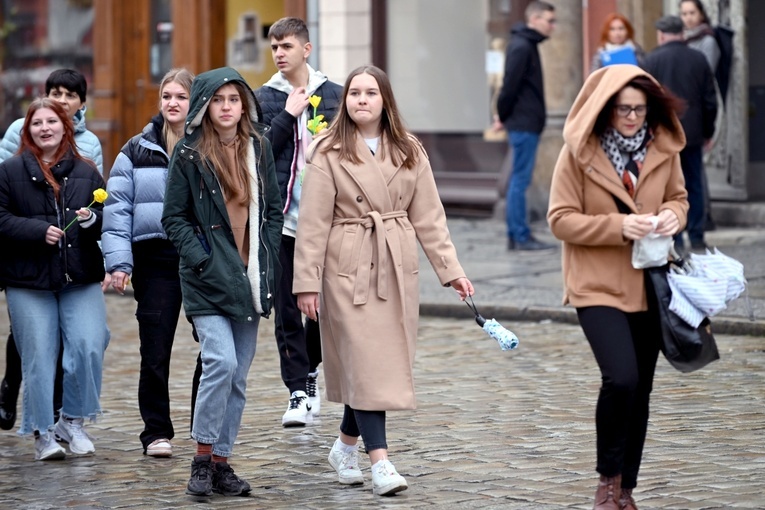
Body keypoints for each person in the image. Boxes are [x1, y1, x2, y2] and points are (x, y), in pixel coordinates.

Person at [293, 65, 475, 497]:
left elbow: (430, 218)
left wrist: (453, 272)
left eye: (370, 93)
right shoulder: (328, 151)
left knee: (376, 366)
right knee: (366, 362)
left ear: (384, 100)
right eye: (354, 92)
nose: (360, 99)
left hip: (394, 266)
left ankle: (344, 447)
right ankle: (382, 462)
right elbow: (313, 223)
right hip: (346, 267)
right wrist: (306, 282)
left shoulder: (410, 150)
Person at [547, 65, 689, 509]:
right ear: (606, 109)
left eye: (640, 110)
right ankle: (606, 483)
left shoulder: (663, 147)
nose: (632, 118)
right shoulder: (578, 153)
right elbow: (560, 219)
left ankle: (627, 489)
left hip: (650, 284)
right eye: (623, 109)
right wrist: (620, 225)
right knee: (621, 378)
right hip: (595, 284)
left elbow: (680, 198)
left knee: (641, 387)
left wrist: (673, 216)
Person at [161, 67, 283, 497]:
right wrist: (201, 259)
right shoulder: (190, 153)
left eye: (234, 99)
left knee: (238, 377)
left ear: (244, 104)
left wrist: (268, 259)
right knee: (221, 363)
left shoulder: (259, 146)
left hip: (249, 278)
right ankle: (200, 457)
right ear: (206, 105)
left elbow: (272, 212)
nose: (227, 107)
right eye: (218, 100)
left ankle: (221, 464)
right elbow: (172, 218)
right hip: (206, 279)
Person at [0, 98, 110, 460]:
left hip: (79, 277)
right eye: (36, 123)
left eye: (52, 121)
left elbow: (105, 220)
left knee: (89, 344)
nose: (44, 128)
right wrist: (37, 230)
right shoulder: (10, 171)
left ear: (65, 126)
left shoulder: (87, 171)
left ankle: (72, 421)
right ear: (27, 130)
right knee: (38, 356)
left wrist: (92, 220)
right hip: (28, 281)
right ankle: (43, 432)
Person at [254, 17, 342, 427]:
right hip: (282, 222)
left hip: (328, 223)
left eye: (286, 46)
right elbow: (256, 157)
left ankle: (309, 371)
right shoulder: (263, 99)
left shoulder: (335, 95)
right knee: (287, 308)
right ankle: (295, 392)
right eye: (274, 47)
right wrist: (287, 117)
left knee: (326, 307)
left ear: (306, 49)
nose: (279, 54)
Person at [101, 68, 194, 458]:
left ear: (195, 102)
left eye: (181, 96)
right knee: (154, 350)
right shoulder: (135, 149)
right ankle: (156, 431)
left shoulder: (208, 146)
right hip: (154, 260)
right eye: (167, 96)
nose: (172, 102)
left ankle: (205, 427)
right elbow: (118, 209)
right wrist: (119, 263)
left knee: (216, 346)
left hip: (201, 259)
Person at [644, 15, 717, 252]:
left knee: (667, 186)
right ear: (682, 34)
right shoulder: (698, 59)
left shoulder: (651, 60)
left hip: (662, 136)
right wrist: (709, 131)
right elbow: (710, 100)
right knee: (693, 183)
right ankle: (696, 235)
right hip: (693, 132)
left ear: (662, 35)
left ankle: (672, 235)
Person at [495, 1, 556, 251]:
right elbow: (509, 85)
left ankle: (518, 235)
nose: (553, 26)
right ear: (535, 19)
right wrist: (503, 114)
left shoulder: (527, 44)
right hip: (523, 123)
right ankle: (520, 236)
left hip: (525, 122)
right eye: (549, 20)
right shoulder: (521, 46)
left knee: (519, 179)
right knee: (519, 180)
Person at [680, 0, 720, 71]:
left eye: (692, 13)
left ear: (701, 15)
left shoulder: (708, 41)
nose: (688, 18)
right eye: (684, 14)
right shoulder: (680, 38)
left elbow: (708, 71)